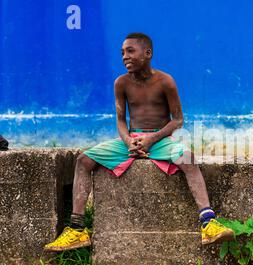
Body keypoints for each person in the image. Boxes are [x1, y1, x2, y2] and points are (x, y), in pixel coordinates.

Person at [44, 32, 234, 252]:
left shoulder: (166, 82)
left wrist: (151, 140)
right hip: (130, 141)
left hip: (160, 139)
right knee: (84, 160)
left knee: (188, 158)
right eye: (122, 53)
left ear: (148, 53)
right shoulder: (121, 83)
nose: (125, 56)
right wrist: (127, 142)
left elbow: (178, 120)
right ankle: (77, 230)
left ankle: (208, 223)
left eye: (130, 51)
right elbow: (121, 120)